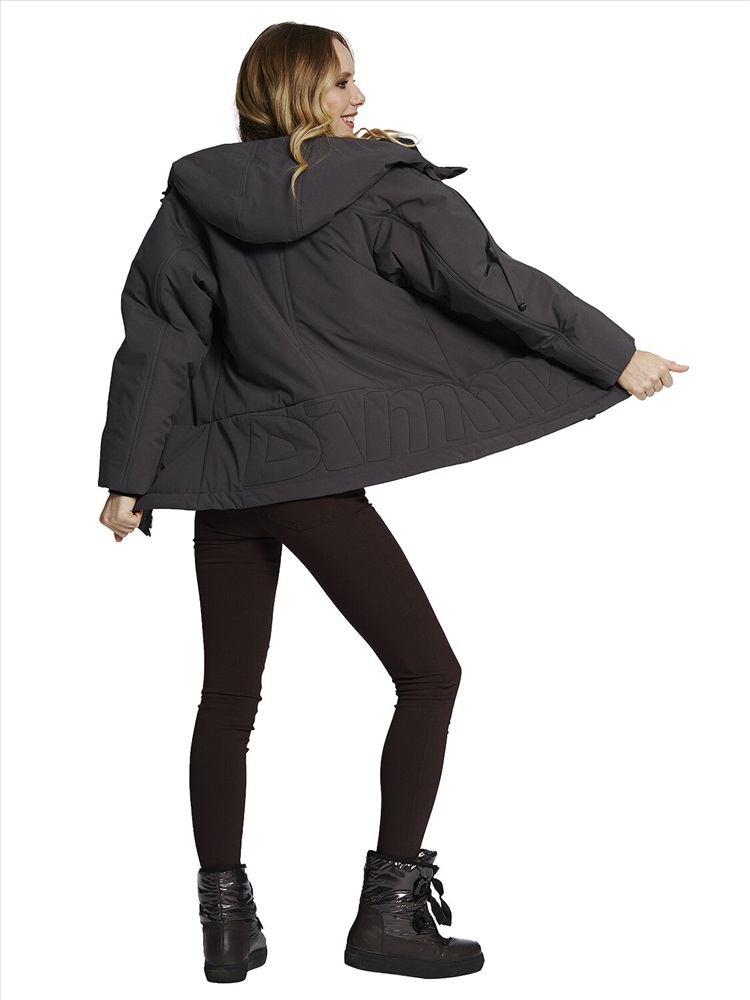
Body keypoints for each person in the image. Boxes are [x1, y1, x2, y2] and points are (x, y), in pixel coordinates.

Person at [97, 21, 688, 984]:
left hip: (227, 482)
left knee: (228, 699)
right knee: (429, 673)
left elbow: (160, 337)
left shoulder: (195, 198)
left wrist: (128, 476)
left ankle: (225, 927)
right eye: (342, 82)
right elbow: (486, 285)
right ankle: (389, 917)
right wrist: (614, 354)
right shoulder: (373, 184)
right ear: (298, 91)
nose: (360, 99)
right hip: (312, 473)